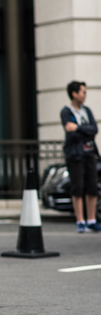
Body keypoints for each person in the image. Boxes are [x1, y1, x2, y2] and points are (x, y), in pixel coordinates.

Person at [61, 81, 101, 233]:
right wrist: (85, 131)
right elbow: (70, 132)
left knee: (92, 186)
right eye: (83, 92)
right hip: (75, 155)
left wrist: (77, 127)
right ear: (74, 93)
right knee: (77, 187)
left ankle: (91, 220)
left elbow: (94, 129)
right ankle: (80, 221)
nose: (85, 95)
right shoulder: (66, 111)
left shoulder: (87, 111)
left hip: (90, 154)